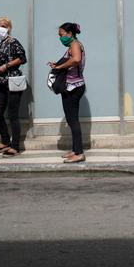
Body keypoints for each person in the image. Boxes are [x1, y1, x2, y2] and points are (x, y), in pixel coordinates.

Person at [48, 22, 86, 163]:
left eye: (61, 35)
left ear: (69, 34)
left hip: (73, 87)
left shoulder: (75, 44)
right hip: (71, 86)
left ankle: (79, 153)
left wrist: (59, 67)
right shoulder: (73, 45)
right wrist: (57, 65)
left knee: (73, 120)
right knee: (71, 120)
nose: (60, 38)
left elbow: (76, 60)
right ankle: (75, 149)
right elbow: (71, 61)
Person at [0, 17, 27, 157]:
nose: (0, 28)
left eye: (3, 25)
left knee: (13, 115)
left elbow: (22, 58)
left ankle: (15, 146)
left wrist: (6, 66)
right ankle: (5, 140)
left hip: (13, 82)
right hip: (2, 82)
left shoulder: (13, 42)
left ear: (9, 28)